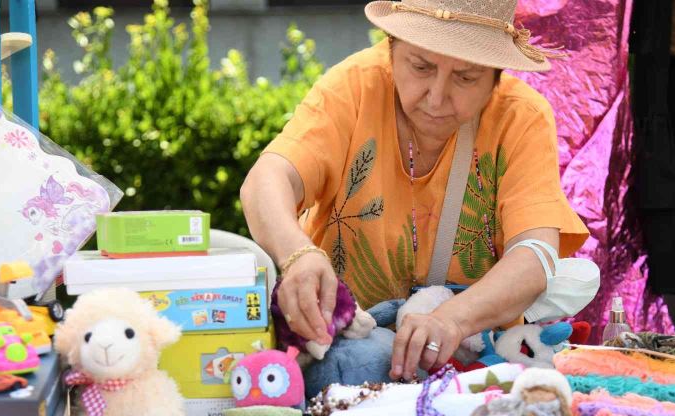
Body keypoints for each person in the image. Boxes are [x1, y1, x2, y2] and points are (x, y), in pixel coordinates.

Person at [240, 0, 589, 388]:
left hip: (470, 371)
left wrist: (452, 319)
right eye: (420, 67)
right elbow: (266, 180)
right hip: (340, 359)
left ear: (496, 75)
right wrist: (298, 256)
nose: (436, 98)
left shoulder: (522, 117)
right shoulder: (354, 86)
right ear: (391, 47)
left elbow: (535, 255)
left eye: (466, 77)